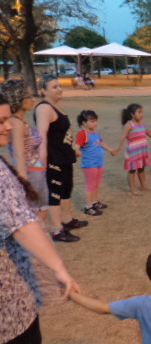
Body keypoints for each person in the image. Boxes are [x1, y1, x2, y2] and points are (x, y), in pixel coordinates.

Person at [0, 93, 79, 344]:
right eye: (1, 121)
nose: (8, 127)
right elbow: (21, 224)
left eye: (7, 118)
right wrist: (59, 268)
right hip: (6, 287)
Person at [34, 76, 88, 243]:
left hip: (64, 157)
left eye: (59, 86)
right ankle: (58, 230)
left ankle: (67, 220)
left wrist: (73, 150)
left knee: (66, 189)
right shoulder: (44, 108)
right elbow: (41, 135)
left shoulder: (56, 106)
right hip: (53, 159)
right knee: (55, 194)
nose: (59, 89)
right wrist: (43, 159)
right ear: (44, 90)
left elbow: (63, 135)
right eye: (54, 87)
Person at [5, 80, 49, 224]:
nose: (33, 99)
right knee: (35, 216)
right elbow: (19, 155)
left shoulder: (21, 120)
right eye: (29, 96)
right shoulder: (16, 123)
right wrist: (24, 184)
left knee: (41, 213)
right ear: (18, 98)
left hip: (37, 173)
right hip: (31, 175)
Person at [75, 110, 116, 216]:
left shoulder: (96, 134)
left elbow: (102, 144)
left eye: (95, 121)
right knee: (91, 185)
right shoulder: (83, 134)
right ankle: (88, 207)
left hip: (99, 164)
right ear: (84, 123)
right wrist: (77, 151)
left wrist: (111, 150)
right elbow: (76, 146)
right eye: (92, 121)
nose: (95, 123)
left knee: (96, 184)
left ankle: (95, 202)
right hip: (89, 165)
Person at [114, 104, 151, 195]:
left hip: (142, 151)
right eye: (139, 112)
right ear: (132, 114)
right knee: (132, 170)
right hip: (133, 152)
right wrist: (117, 148)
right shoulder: (129, 125)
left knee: (142, 169)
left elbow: (148, 133)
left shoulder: (142, 124)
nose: (141, 114)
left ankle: (144, 186)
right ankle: (133, 189)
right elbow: (123, 136)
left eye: (141, 112)